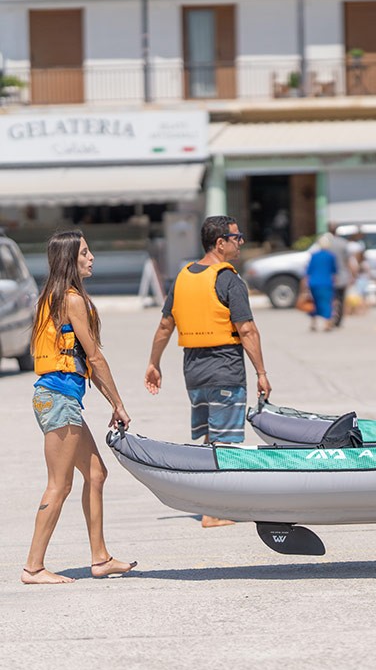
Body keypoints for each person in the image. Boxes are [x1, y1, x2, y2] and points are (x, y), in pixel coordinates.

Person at [144, 215, 272, 528]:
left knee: (209, 439)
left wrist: (154, 363)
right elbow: (246, 329)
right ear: (220, 243)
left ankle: (209, 503)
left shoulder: (183, 277)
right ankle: (214, 512)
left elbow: (165, 325)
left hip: (194, 372)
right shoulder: (229, 280)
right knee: (224, 442)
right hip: (224, 368)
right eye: (237, 237)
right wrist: (261, 372)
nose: (241, 242)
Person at [23, 230, 135, 584]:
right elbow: (95, 358)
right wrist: (118, 404)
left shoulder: (54, 297)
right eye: (85, 252)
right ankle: (33, 568)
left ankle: (100, 558)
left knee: (96, 474)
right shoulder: (71, 300)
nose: (91, 258)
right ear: (69, 259)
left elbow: (82, 362)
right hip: (57, 399)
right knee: (59, 485)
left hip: (60, 398)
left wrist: (113, 402)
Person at [322, 223, 357, 327]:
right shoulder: (343, 243)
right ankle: (338, 320)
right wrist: (353, 275)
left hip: (328, 276)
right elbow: (349, 261)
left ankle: (330, 318)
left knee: (330, 298)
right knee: (341, 298)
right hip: (342, 275)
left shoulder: (325, 243)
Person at [305, 233, 338, 331]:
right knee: (326, 303)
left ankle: (313, 323)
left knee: (314, 303)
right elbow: (334, 271)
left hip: (313, 282)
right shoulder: (330, 256)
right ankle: (327, 324)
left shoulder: (314, 256)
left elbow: (309, 271)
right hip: (326, 283)